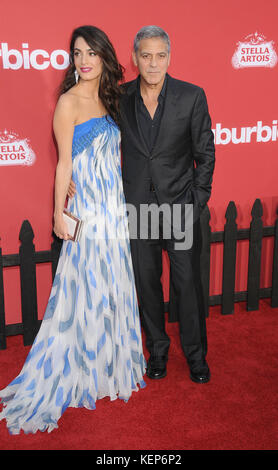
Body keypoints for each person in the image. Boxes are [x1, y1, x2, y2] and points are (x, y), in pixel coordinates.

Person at [0, 25, 146, 435]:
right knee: (83, 287)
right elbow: (65, 163)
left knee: (112, 285)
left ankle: (107, 364)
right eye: (77, 52)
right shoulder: (67, 102)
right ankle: (78, 365)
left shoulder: (110, 97)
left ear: (104, 57)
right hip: (87, 212)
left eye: (91, 53)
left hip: (113, 208)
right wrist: (57, 213)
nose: (83, 60)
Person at [68, 26, 215, 384]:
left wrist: (195, 202)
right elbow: (88, 129)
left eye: (160, 55)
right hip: (137, 211)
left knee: (188, 288)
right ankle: (158, 353)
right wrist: (72, 170)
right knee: (148, 287)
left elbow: (205, 154)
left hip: (180, 208)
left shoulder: (192, 96)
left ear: (169, 57)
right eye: (145, 56)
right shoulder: (119, 97)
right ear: (134, 60)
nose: (153, 63)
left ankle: (196, 356)